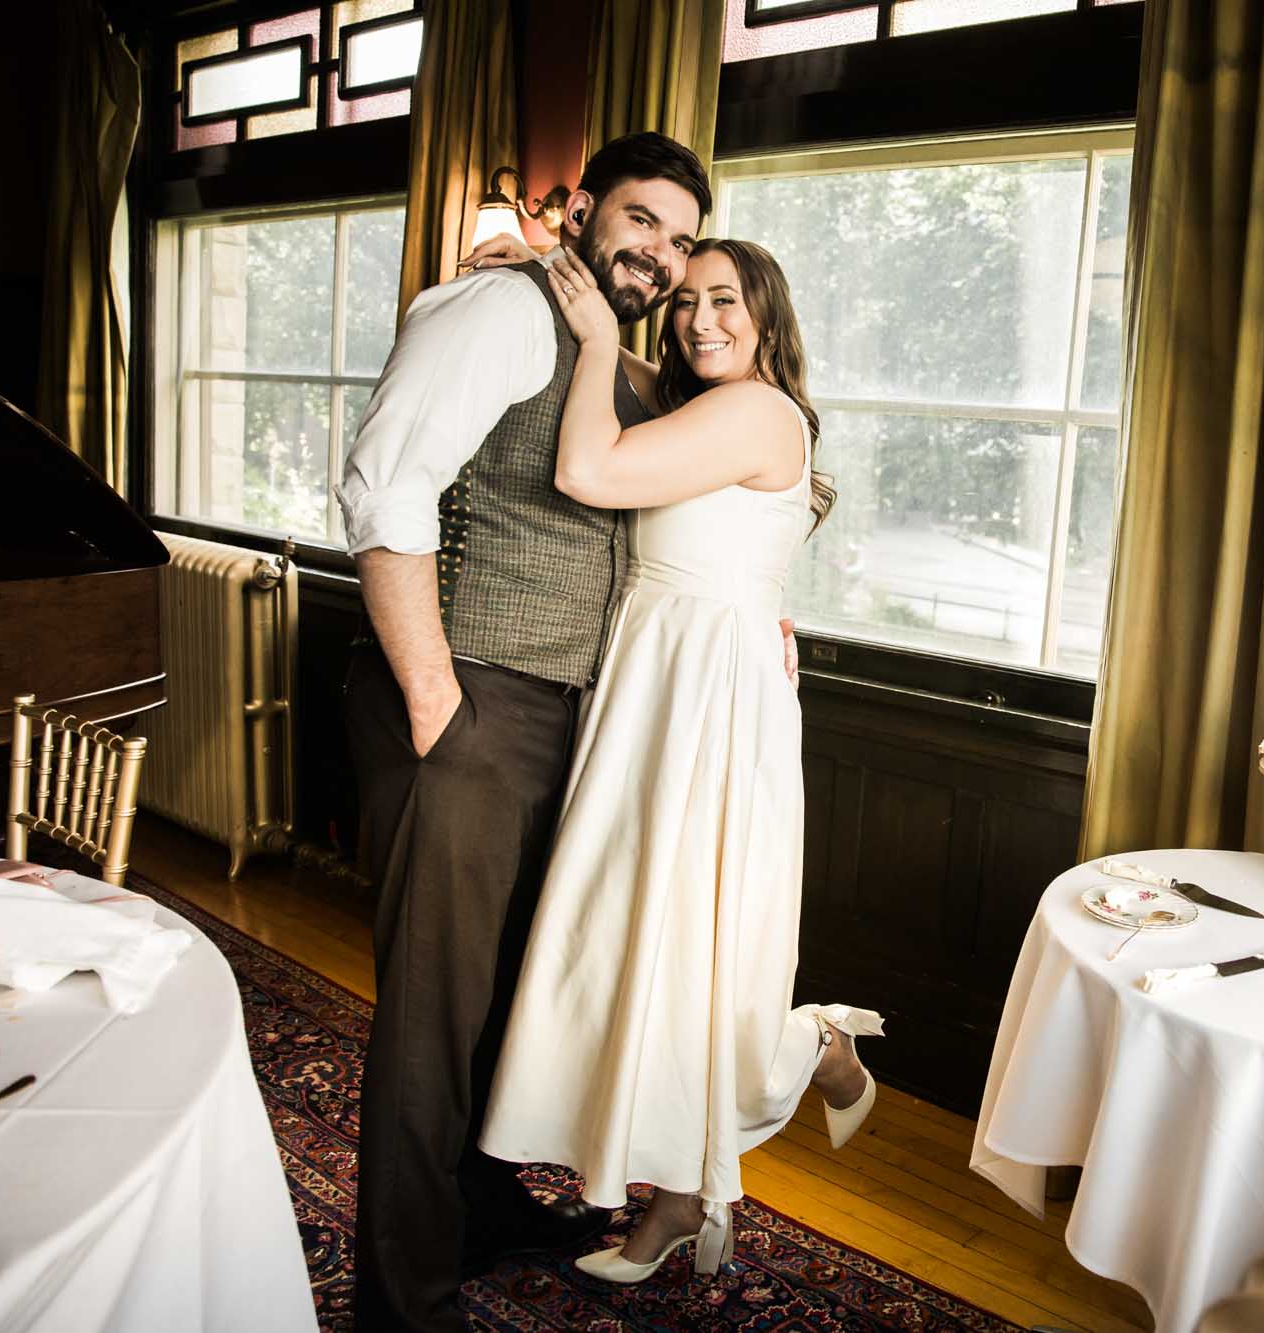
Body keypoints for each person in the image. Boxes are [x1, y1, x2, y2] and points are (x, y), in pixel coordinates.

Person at [334, 132, 794, 1331]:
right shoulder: (496, 307)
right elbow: (382, 486)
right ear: (581, 209)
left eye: (682, 237)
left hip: (577, 727)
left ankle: (483, 1211)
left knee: (505, 995)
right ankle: (403, 1296)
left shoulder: (629, 364)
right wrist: (436, 700)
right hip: (471, 699)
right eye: (640, 221)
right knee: (434, 1018)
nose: (658, 253)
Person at [468, 235, 882, 1281]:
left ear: (769, 315)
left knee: (690, 941)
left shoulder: (751, 412)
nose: (700, 317)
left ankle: (814, 1053)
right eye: (686, 300)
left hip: (705, 695)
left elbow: (585, 467)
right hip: (664, 673)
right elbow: (646, 383)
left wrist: (600, 329)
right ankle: (685, 1199)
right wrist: (544, 265)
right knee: (647, 935)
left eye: (725, 299)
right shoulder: (714, 399)